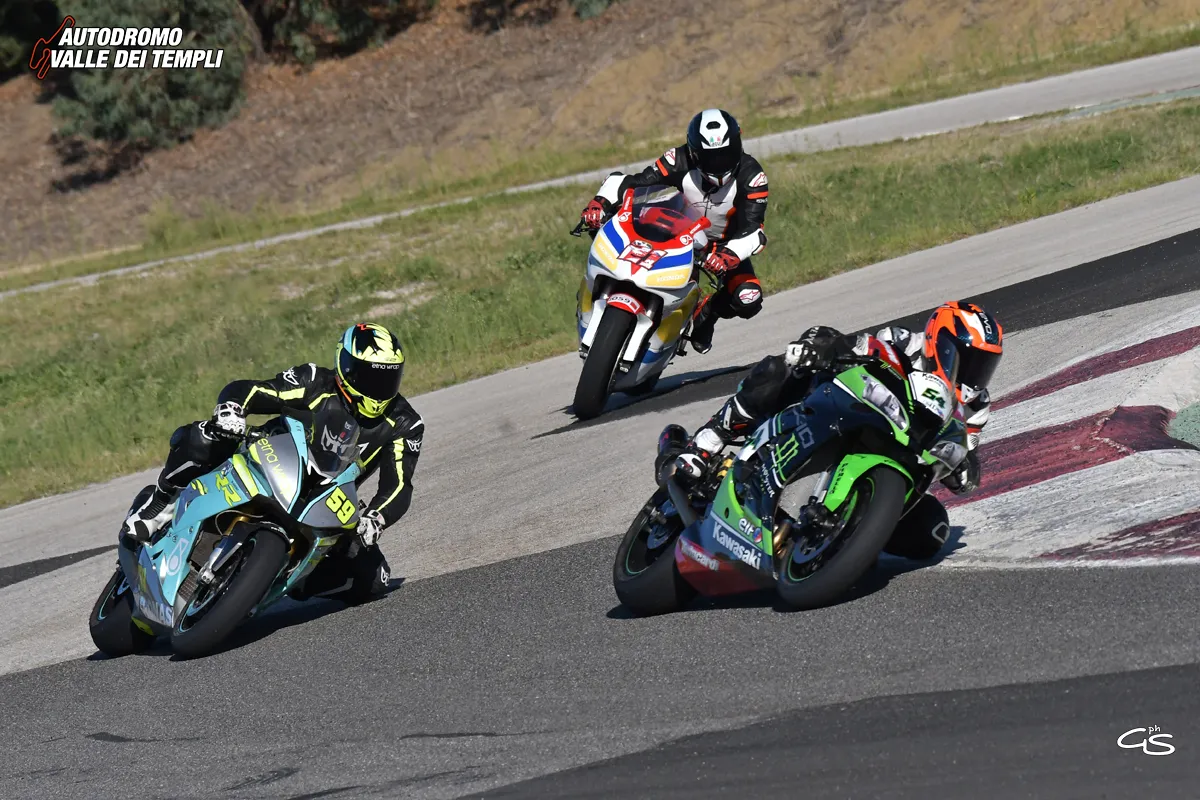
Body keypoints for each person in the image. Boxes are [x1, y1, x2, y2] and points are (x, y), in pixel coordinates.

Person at [660, 301, 1004, 555]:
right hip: (848, 412)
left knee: (932, 531)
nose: (974, 372)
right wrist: (824, 348)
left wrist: (965, 471)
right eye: (968, 358)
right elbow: (860, 346)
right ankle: (706, 443)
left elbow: (968, 454)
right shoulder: (907, 343)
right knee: (783, 370)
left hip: (901, 459)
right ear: (939, 339)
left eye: (984, 365)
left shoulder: (975, 407)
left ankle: (842, 540)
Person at [121, 322, 424, 600]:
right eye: (371, 376)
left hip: (325, 498)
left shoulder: (405, 423)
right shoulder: (316, 380)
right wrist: (232, 411)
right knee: (206, 437)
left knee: (375, 579)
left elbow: (399, 484)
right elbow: (253, 389)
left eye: (388, 377)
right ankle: (160, 504)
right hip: (269, 458)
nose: (379, 387)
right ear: (347, 366)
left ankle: (288, 578)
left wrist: (376, 518)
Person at [579, 108, 769, 354]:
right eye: (710, 158)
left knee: (749, 298)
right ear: (694, 152)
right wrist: (600, 204)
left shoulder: (752, 176)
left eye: (726, 154)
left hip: (721, 248)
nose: (719, 164)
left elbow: (753, 230)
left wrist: (726, 256)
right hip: (677, 235)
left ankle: (707, 314)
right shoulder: (678, 159)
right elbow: (634, 182)